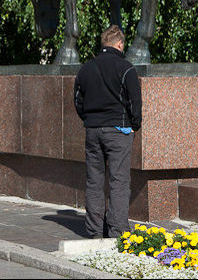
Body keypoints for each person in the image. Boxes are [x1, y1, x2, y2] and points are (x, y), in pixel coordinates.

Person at [73, 25, 142, 238]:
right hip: (118, 130)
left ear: (104, 43)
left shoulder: (86, 69)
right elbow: (135, 102)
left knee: (94, 181)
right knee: (119, 181)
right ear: (120, 44)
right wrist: (134, 124)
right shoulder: (126, 68)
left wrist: (90, 119)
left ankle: (94, 231)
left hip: (93, 130)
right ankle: (117, 230)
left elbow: (78, 99)